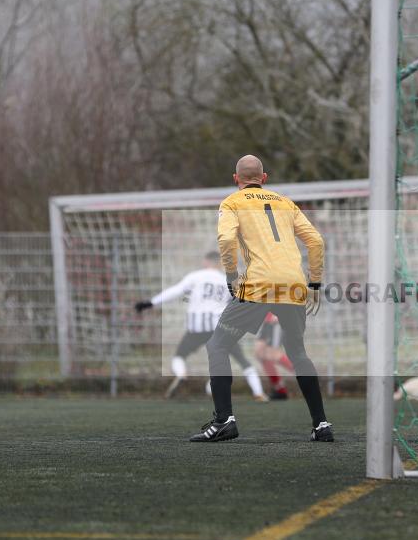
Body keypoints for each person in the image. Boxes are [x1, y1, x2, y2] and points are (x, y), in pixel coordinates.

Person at [191, 154, 332, 442]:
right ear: (264, 178)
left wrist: (231, 276)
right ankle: (322, 425)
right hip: (293, 286)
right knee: (297, 352)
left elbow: (227, 239)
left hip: (258, 285)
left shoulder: (232, 202)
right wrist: (314, 283)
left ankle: (224, 421)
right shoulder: (285, 202)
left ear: (236, 179)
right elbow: (316, 241)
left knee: (218, 344)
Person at [134, 251, 267, 401]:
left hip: (197, 328)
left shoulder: (195, 276)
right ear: (220, 263)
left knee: (179, 356)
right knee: (241, 360)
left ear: (205, 262)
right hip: (220, 327)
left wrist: (150, 303)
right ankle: (258, 393)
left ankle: (181, 374)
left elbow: (175, 292)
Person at [254, 312, 295, 400]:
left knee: (273, 353)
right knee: (260, 354)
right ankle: (280, 390)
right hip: (263, 316)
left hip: (274, 316)